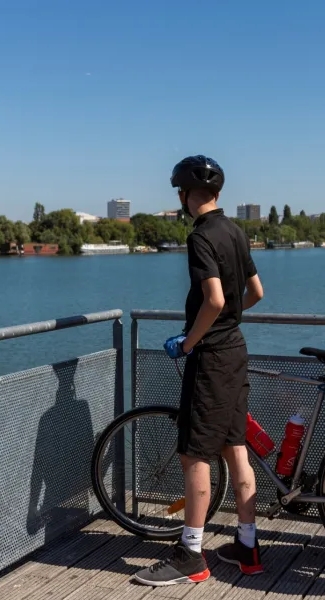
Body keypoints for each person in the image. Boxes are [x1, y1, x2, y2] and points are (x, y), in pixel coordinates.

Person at [134, 155, 265, 586]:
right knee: (235, 447)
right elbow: (256, 293)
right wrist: (225, 325)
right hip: (236, 351)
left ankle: (191, 553)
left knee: (194, 454)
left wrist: (190, 340)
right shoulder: (235, 230)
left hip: (210, 358)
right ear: (219, 194)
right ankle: (247, 544)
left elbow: (214, 300)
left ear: (184, 195)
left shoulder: (201, 237)